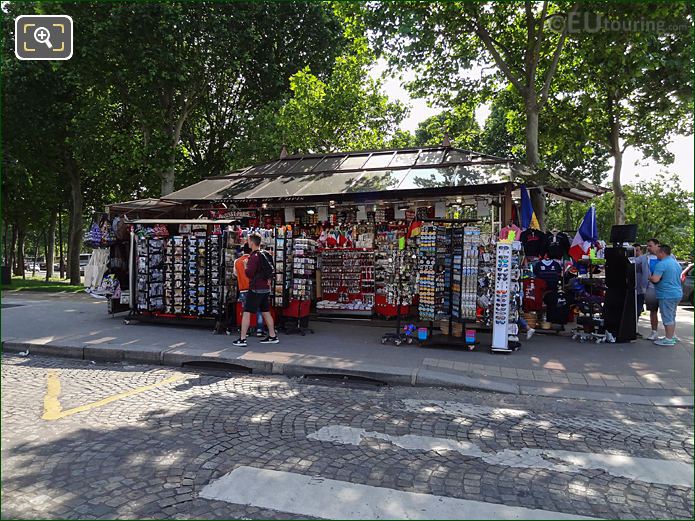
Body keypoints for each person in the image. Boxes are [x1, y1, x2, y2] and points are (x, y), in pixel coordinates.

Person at [232, 233, 279, 346]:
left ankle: (242, 339)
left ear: (252, 243)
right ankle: (272, 336)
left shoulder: (253, 257)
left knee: (247, 312)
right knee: (266, 312)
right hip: (265, 288)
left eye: (248, 241)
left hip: (255, 289)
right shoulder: (266, 254)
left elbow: (249, 273)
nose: (248, 243)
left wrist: (245, 266)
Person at [649, 244, 682, 346]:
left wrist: (649, 277)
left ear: (662, 253)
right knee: (672, 316)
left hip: (666, 294)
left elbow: (655, 279)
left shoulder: (662, 264)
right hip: (677, 293)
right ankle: (670, 336)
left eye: (658, 252)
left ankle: (668, 339)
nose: (656, 254)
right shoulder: (676, 263)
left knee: (667, 317)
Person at [233, 243, 265, 337]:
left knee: (245, 311)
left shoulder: (237, 261)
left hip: (242, 289)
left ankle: (245, 331)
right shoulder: (253, 260)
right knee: (259, 309)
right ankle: (259, 329)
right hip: (253, 288)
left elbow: (235, 274)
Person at [638, 238, 661, 340]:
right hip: (650, 288)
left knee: (668, 312)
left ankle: (671, 333)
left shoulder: (668, 257)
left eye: (650, 246)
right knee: (653, 311)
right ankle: (654, 332)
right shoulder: (645, 257)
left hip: (664, 288)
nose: (648, 248)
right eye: (647, 246)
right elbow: (632, 262)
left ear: (657, 245)